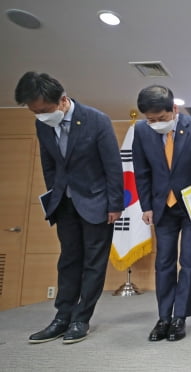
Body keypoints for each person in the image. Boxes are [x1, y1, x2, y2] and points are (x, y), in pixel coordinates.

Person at [15, 72, 124, 344]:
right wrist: (54, 195)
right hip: (64, 204)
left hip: (97, 203)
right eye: (34, 112)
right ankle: (61, 317)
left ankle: (80, 319)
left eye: (43, 110)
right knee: (68, 260)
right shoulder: (43, 126)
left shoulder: (97, 120)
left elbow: (113, 166)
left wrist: (115, 205)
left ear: (62, 100)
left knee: (93, 263)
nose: (40, 116)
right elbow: (49, 164)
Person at [132, 85, 191, 342]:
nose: (155, 124)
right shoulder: (141, 130)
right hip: (162, 207)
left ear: (174, 109)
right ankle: (164, 318)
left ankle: (180, 317)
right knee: (164, 263)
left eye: (160, 119)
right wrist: (146, 206)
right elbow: (142, 171)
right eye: (150, 120)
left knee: (190, 262)